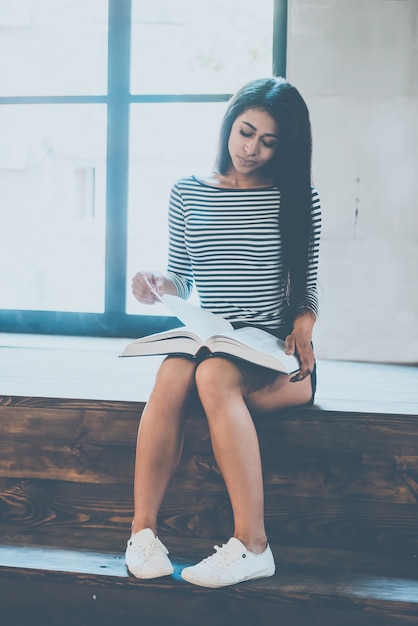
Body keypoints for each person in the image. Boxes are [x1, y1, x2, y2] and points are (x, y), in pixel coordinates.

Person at [125, 76, 321, 588]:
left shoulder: (296, 197)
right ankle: (142, 533)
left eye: (268, 141)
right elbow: (182, 275)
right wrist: (155, 284)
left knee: (211, 376)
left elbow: (307, 288)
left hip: (274, 356)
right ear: (229, 124)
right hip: (214, 338)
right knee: (173, 373)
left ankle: (253, 545)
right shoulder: (188, 192)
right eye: (245, 132)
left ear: (286, 147)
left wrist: (305, 321)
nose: (251, 149)